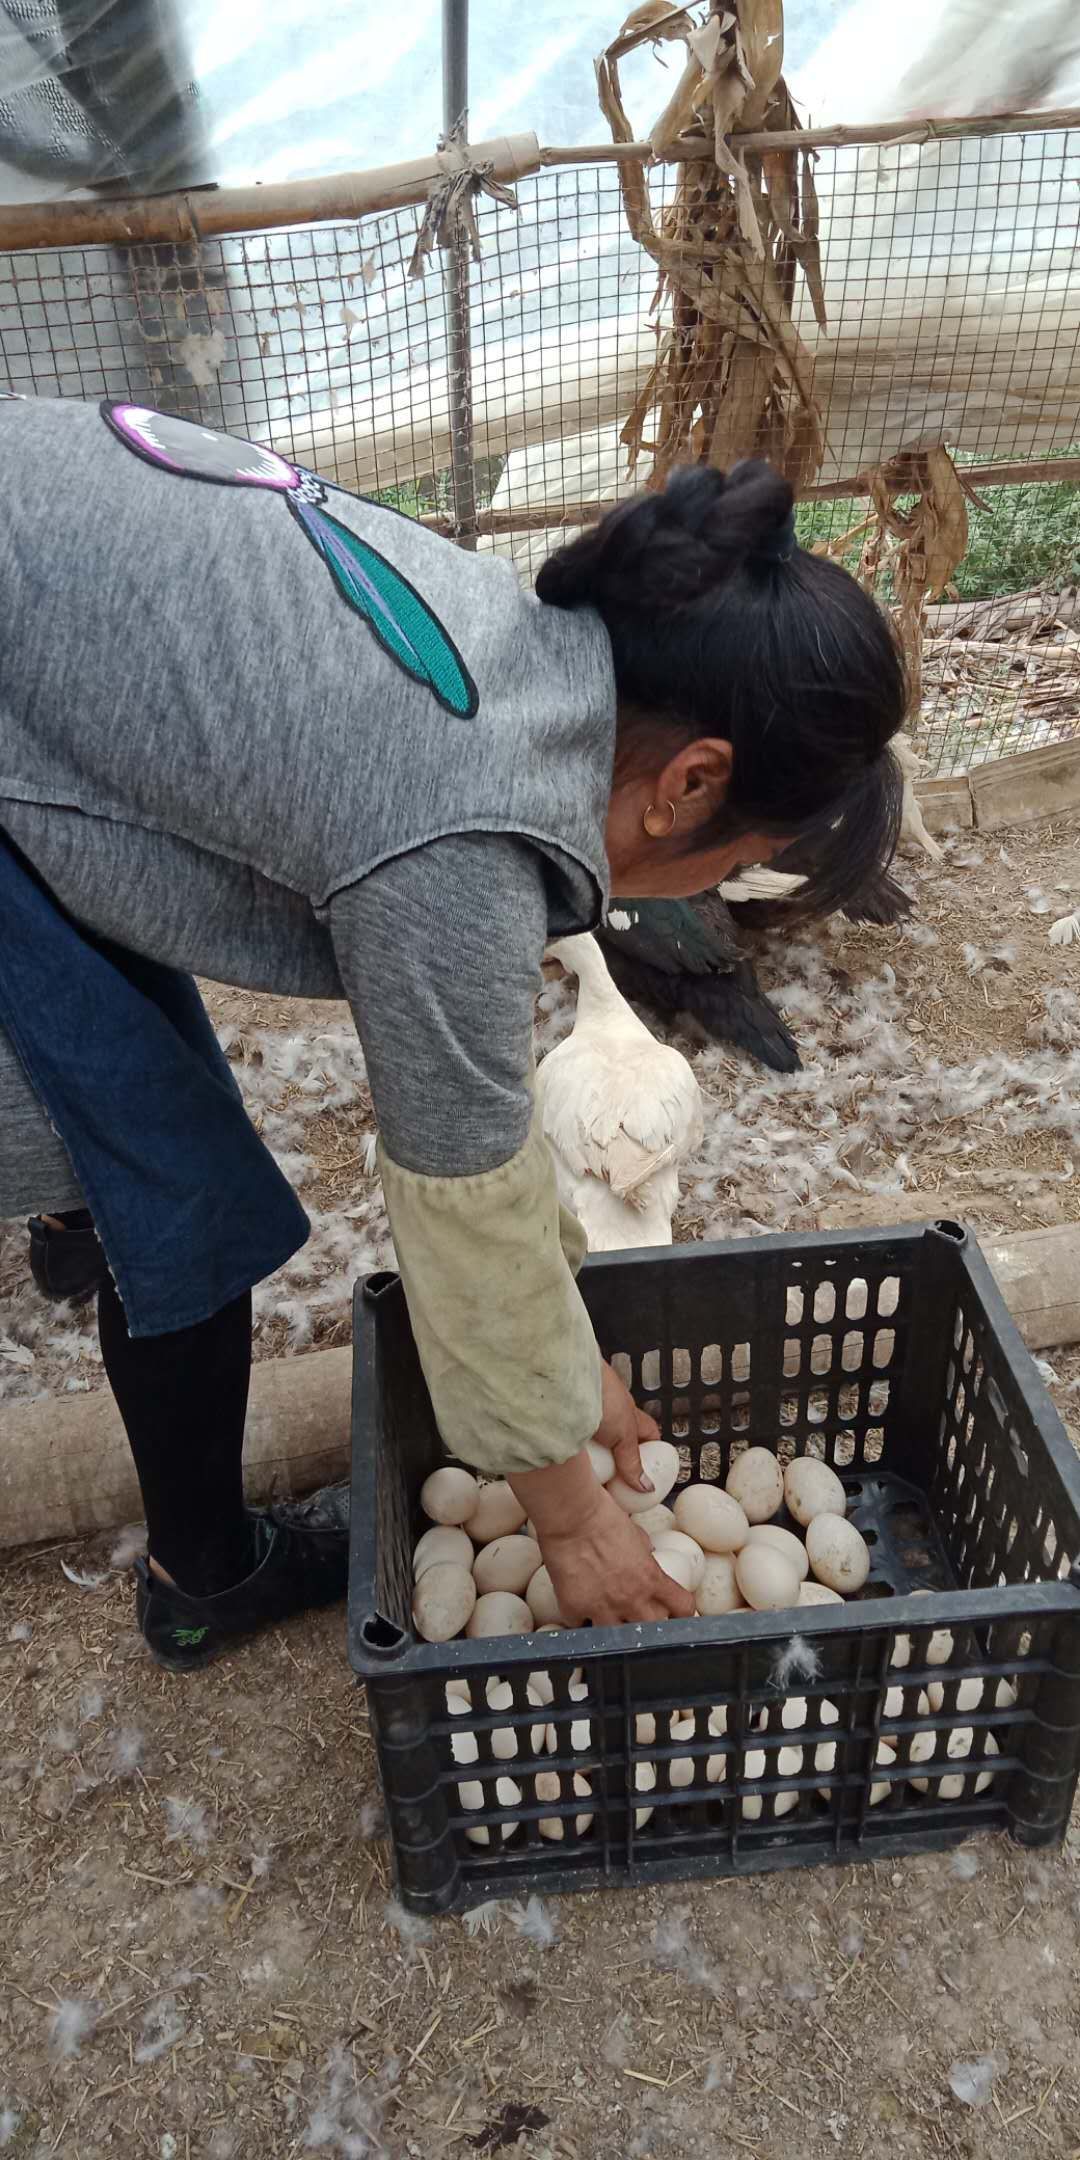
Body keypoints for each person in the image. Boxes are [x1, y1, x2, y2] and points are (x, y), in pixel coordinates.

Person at [0, 393, 906, 1669]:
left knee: (140, 1137)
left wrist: (568, 1363)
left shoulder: (539, 657)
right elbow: (459, 1197)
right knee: (174, 1194)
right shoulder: (465, 839)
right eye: (743, 857)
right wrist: (576, 1521)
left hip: (40, 602)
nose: (709, 893)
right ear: (693, 780)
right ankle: (202, 1574)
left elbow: (485, 1151)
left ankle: (72, 1213)